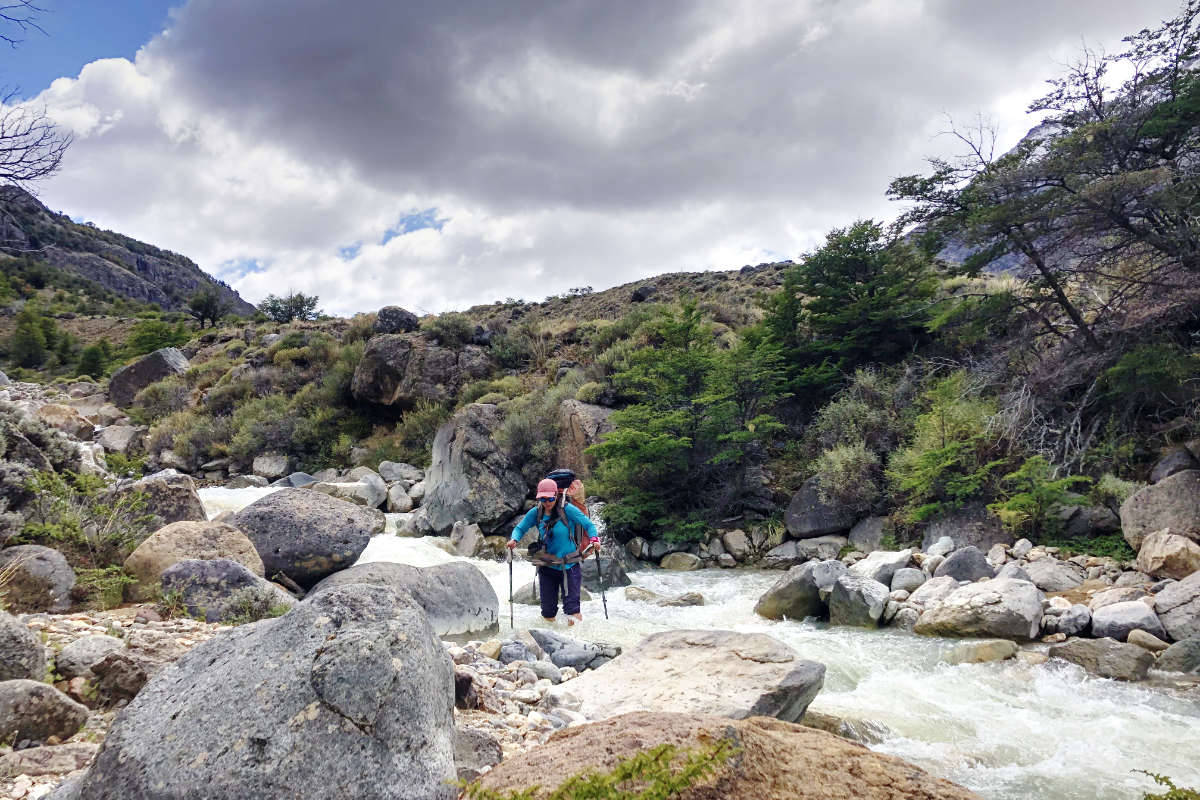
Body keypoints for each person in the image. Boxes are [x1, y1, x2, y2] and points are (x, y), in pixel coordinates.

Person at [506, 478, 599, 625]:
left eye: (550, 498)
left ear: (556, 495)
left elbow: (588, 524)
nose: (547, 502)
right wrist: (514, 540)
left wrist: (594, 539)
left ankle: (575, 642)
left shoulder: (567, 510)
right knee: (547, 611)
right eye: (543, 499)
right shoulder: (536, 513)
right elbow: (520, 528)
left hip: (569, 567)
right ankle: (550, 642)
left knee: (572, 611)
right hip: (547, 566)